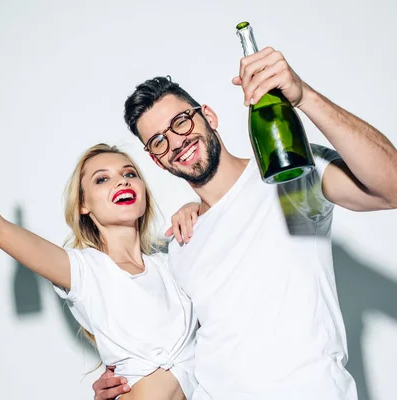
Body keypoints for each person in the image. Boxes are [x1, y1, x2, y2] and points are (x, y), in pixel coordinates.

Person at [92, 46, 397, 400]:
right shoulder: (178, 242)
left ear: (209, 116)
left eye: (180, 122)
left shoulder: (289, 174)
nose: (176, 142)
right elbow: (174, 349)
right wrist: (124, 379)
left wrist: (305, 96)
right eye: (159, 141)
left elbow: (391, 188)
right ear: (156, 161)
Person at [0, 97, 205, 400]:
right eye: (102, 179)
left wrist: (199, 208)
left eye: (129, 174)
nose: (121, 182)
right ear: (83, 204)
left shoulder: (171, 261)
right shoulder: (83, 271)